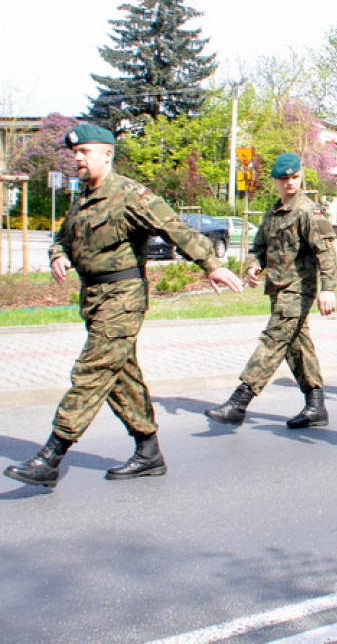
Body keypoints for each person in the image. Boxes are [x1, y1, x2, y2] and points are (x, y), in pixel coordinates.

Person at [3, 124, 244, 489]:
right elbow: (62, 237)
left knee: (92, 369)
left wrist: (212, 264)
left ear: (107, 154)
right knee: (120, 377)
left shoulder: (131, 195)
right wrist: (58, 255)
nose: (78, 159)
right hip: (95, 299)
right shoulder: (82, 198)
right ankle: (148, 453)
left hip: (123, 298)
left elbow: (175, 228)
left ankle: (52, 455)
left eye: (85, 152)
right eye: (75, 153)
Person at [205, 153, 337, 428]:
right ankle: (316, 406)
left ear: (301, 176)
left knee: (273, 340)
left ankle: (239, 402)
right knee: (297, 347)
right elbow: (260, 246)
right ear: (275, 182)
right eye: (284, 179)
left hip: (299, 289)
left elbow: (326, 251)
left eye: (295, 177)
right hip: (278, 287)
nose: (290, 183)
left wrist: (328, 289)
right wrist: (255, 265)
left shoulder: (307, 211)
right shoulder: (274, 211)